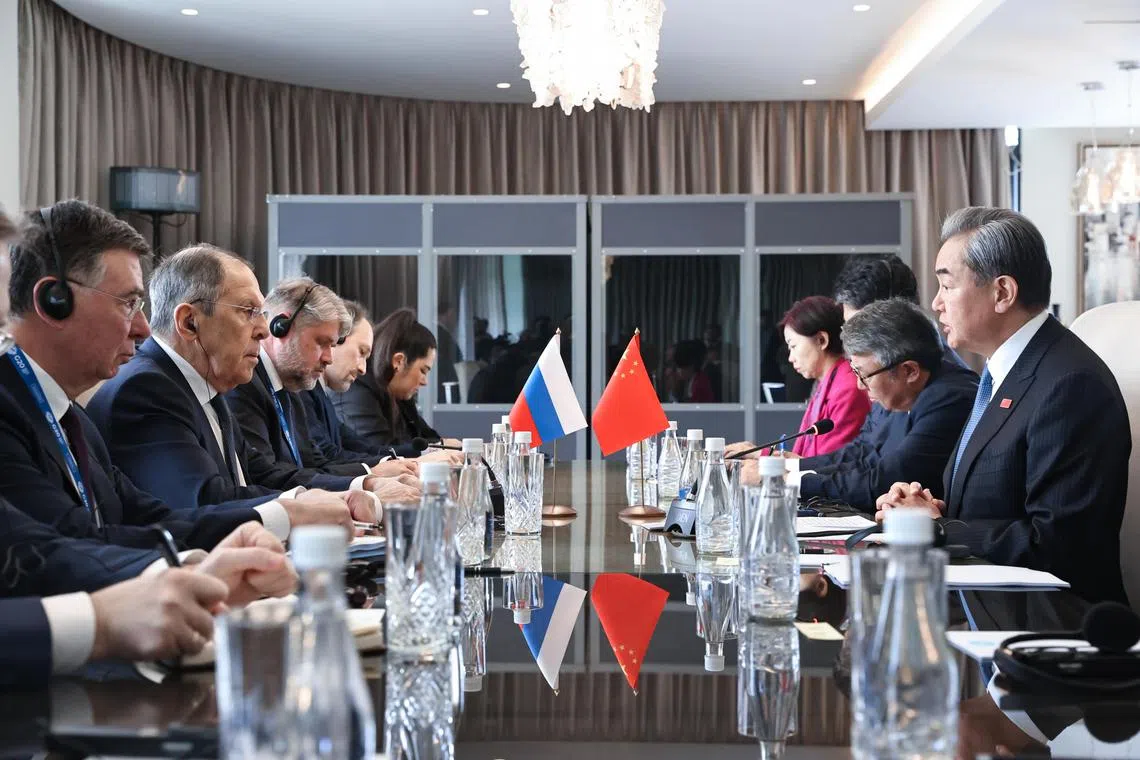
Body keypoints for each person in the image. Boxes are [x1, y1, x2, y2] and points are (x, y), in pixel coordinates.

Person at [0, 209, 296, 683]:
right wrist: (111, 613)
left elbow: (118, 523)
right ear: (52, 302)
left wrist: (197, 566)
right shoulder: (12, 407)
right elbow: (50, 551)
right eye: (127, 303)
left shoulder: (71, 415)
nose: (141, 327)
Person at [876, 207, 1130, 604]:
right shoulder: (1003, 375)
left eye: (947, 286)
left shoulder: (1069, 384)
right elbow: (991, 502)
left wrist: (939, 529)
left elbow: (1060, 545)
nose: (936, 303)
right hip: (986, 608)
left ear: (1002, 293)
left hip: (1055, 634)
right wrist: (925, 509)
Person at [87, 247, 415, 532]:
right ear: (190, 322)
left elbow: (262, 474)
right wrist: (316, 507)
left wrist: (358, 488)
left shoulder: (205, 385)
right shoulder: (147, 390)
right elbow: (201, 500)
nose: (262, 329)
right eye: (248, 312)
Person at [764, 299, 977, 511]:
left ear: (909, 371)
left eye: (863, 374)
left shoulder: (951, 399)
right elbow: (861, 452)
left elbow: (884, 480)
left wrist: (789, 482)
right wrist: (788, 468)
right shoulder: (898, 391)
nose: (859, 385)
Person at [223, 277, 422, 487]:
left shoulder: (291, 388)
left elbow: (310, 465)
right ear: (280, 327)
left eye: (333, 346)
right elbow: (266, 478)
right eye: (322, 343)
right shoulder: (244, 386)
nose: (329, 357)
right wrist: (366, 481)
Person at [331, 308, 458, 457]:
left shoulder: (397, 392)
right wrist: (438, 449)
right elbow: (380, 452)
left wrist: (441, 447)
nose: (425, 382)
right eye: (423, 371)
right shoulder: (356, 389)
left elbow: (427, 438)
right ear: (399, 361)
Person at [300, 299, 384, 464]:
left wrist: (420, 455)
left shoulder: (320, 394)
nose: (363, 369)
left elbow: (362, 447)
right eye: (361, 352)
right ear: (336, 339)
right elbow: (327, 456)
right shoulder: (302, 391)